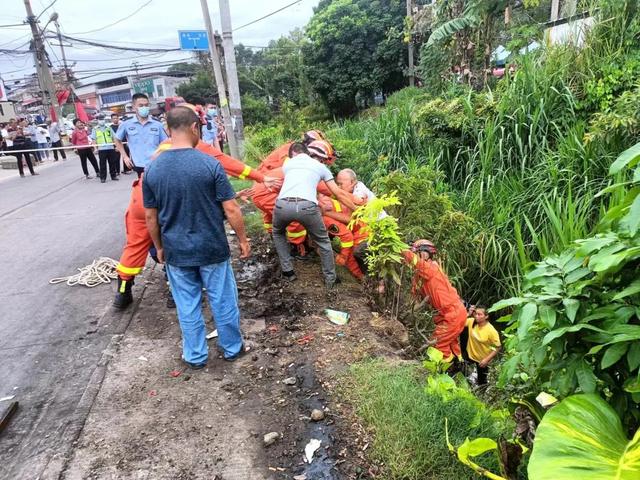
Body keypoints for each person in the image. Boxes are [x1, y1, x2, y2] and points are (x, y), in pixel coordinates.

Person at [113, 107, 279, 309]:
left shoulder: (165, 147)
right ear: (193, 127)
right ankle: (175, 292)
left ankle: (122, 293)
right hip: (166, 200)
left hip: (141, 198)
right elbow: (231, 165)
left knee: (135, 244)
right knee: (175, 238)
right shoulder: (197, 146)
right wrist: (262, 178)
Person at [142, 105, 249, 369]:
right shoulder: (210, 164)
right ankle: (232, 349)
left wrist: (159, 247)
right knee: (222, 300)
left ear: (167, 130)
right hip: (212, 247)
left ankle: (196, 356)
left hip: (177, 251)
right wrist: (243, 240)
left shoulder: (153, 170)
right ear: (194, 128)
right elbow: (231, 208)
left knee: (187, 305)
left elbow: (150, 218)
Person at [271, 141, 354, 289]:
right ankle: (331, 279)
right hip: (307, 207)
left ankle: (288, 271)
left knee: (278, 233)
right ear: (309, 153)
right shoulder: (320, 167)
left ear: (294, 154)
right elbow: (338, 193)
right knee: (323, 241)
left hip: (282, 205)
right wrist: (356, 208)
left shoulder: (288, 165)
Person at [402, 240, 467, 362]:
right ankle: (459, 370)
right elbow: (415, 294)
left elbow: (414, 261)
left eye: (417, 252)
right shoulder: (421, 274)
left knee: (438, 344)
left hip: (452, 314)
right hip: (450, 314)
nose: (415, 255)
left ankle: (440, 373)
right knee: (451, 344)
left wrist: (399, 247)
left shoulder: (431, 268)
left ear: (425, 254)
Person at [114, 93, 168, 176]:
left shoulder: (157, 124)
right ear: (134, 107)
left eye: (146, 105)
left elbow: (165, 143)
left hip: (157, 165)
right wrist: (125, 156)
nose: (144, 108)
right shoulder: (127, 124)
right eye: (141, 105)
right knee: (141, 188)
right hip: (139, 165)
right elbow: (117, 139)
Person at [465, 307, 501, 385]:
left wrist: (486, 359)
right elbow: (458, 322)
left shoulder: (491, 331)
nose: (476, 316)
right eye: (476, 314)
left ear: (486, 316)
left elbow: (497, 347)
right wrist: (468, 314)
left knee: (482, 383)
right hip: (469, 355)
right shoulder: (471, 322)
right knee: (466, 376)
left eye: (479, 314)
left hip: (481, 360)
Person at [91, 115, 119, 183]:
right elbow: (94, 139)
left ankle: (113, 176)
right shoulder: (95, 129)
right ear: (98, 121)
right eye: (100, 119)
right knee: (102, 164)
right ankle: (103, 178)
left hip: (110, 148)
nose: (101, 121)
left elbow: (114, 138)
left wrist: (117, 146)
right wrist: (95, 148)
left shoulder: (108, 128)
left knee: (112, 163)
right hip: (101, 149)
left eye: (102, 119)